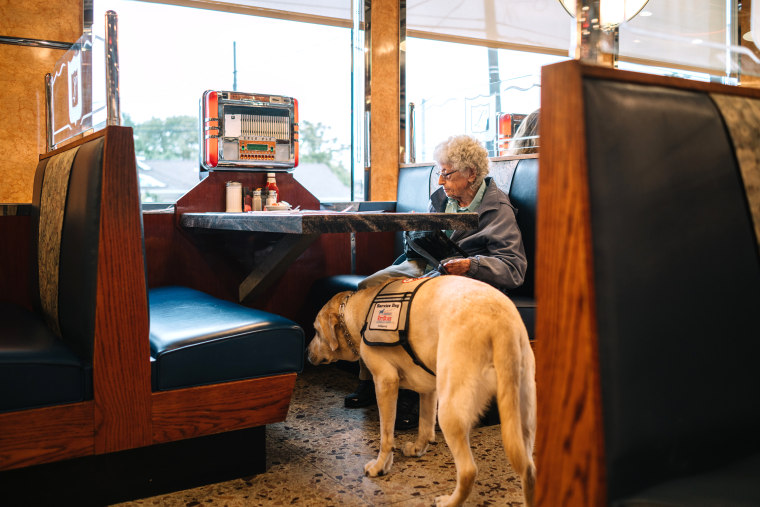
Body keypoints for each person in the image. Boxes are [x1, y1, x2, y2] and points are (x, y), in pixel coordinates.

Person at [345, 134, 528, 429]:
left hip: (462, 278)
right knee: (371, 288)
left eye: (447, 173)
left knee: (409, 305)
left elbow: (514, 267)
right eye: (439, 172)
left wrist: (472, 265)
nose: (441, 181)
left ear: (471, 174)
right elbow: (419, 248)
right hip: (427, 266)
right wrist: (416, 231)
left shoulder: (497, 210)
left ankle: (409, 394)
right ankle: (372, 377)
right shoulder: (442, 199)